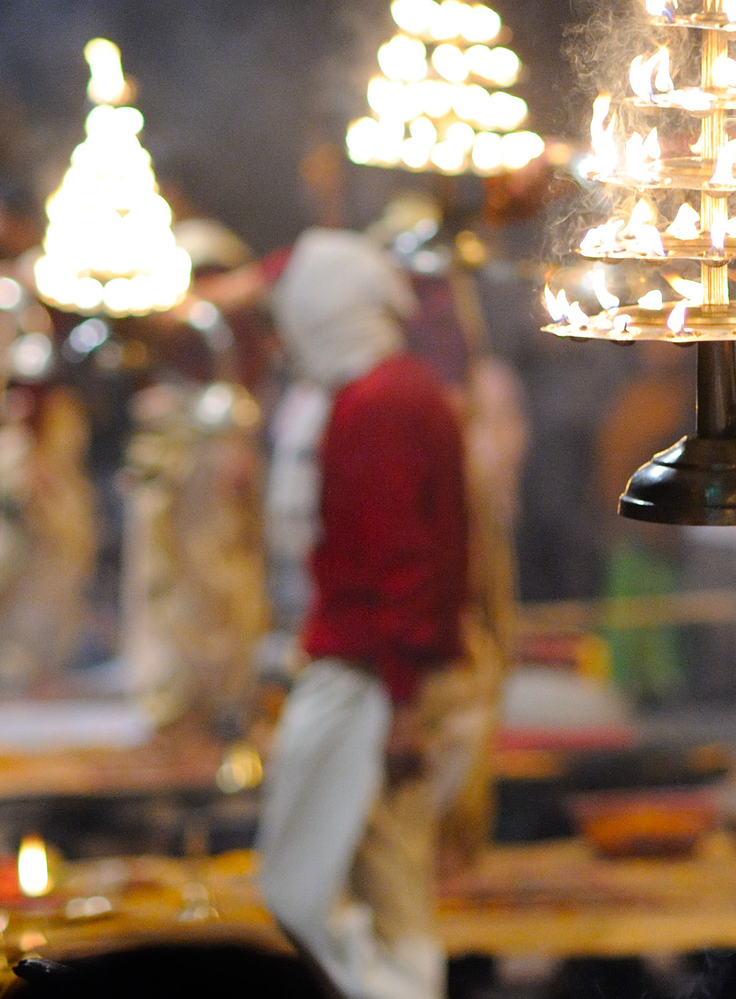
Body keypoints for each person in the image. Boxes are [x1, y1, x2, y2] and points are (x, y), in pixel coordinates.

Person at [259, 229, 472, 999]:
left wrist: (403, 699)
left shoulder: (374, 403)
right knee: (379, 878)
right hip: (380, 667)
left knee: (317, 882)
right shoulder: (394, 390)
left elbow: (404, 562)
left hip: (370, 673)